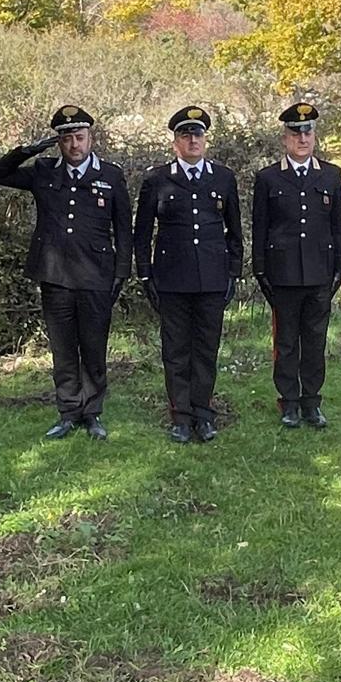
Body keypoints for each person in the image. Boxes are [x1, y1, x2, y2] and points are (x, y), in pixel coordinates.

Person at [0, 106, 132, 440]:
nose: (74, 145)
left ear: (91, 138)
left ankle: (92, 412)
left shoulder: (110, 175)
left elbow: (123, 227)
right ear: (59, 143)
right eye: (66, 139)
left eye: (80, 137)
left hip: (97, 274)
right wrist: (28, 150)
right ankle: (68, 412)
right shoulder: (43, 171)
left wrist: (121, 271)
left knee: (94, 347)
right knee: (63, 348)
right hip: (55, 275)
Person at [134, 106, 243, 444]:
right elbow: (142, 232)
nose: (193, 140)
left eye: (198, 134)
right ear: (175, 143)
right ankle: (180, 416)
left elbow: (234, 230)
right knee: (176, 350)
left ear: (205, 140)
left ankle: (204, 414)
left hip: (211, 277)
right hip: (172, 278)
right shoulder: (157, 179)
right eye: (185, 135)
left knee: (206, 348)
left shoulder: (223, 178)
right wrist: (145, 275)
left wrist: (233, 273)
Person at [251, 102, 341, 428]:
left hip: (320, 271)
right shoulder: (268, 177)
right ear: (285, 138)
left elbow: (338, 226)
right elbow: (260, 227)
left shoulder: (331, 175)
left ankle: (311, 402)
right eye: (295, 133)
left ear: (314, 136)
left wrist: (340, 266)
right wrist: (260, 269)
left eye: (307, 132)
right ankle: (289, 402)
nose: (302, 139)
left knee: (316, 341)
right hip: (283, 273)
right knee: (287, 342)